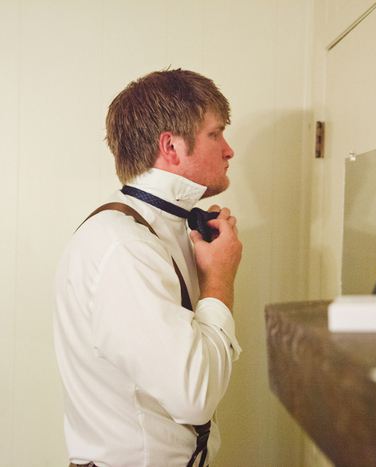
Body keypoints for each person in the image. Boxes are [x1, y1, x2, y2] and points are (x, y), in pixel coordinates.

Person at [54, 68, 243, 467]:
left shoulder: (156, 231)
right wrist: (220, 279)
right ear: (171, 146)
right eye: (216, 133)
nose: (228, 150)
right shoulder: (125, 247)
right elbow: (195, 395)